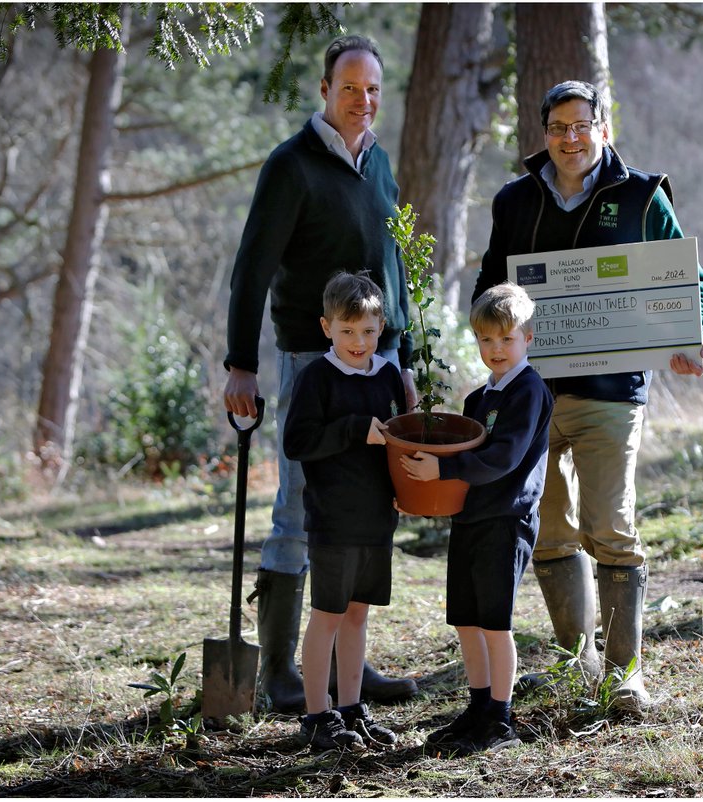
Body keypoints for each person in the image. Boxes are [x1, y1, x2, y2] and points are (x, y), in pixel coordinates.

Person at [471, 80, 703, 714]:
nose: (569, 138)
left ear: (603, 128)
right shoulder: (515, 201)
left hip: (613, 391)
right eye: (557, 127)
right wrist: (487, 334)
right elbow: (489, 283)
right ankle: (574, 661)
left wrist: (694, 336)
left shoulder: (640, 196)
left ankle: (625, 672)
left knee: (611, 525)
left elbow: (689, 280)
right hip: (533, 394)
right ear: (543, 133)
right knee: (550, 530)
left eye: (582, 125)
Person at [223, 34, 418, 713]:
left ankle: (345, 671)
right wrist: (241, 365)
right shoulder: (292, 166)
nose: (362, 101)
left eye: (372, 90)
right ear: (324, 92)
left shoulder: (379, 164)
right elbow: (251, 267)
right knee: (299, 513)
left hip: (381, 362)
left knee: (361, 512)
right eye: (349, 88)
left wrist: (407, 358)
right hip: (314, 361)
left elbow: (396, 269)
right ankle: (278, 672)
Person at [399, 282, 553, 754]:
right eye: (486, 340)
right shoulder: (476, 400)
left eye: (507, 339)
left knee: (494, 623)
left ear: (528, 337)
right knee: (466, 620)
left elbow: (504, 457)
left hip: (506, 521)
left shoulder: (529, 391)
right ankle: (479, 706)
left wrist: (442, 467)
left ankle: (501, 719)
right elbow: (462, 463)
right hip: (470, 519)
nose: (496, 349)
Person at [283, 271, 408, 751]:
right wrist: (357, 429)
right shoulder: (316, 377)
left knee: (358, 614)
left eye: (369, 331)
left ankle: (351, 709)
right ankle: (317, 716)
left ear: (382, 328)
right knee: (328, 614)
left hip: (377, 517)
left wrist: (403, 488)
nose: (359, 341)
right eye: (347, 330)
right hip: (333, 518)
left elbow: (395, 443)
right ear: (326, 327)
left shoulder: (389, 375)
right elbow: (298, 443)